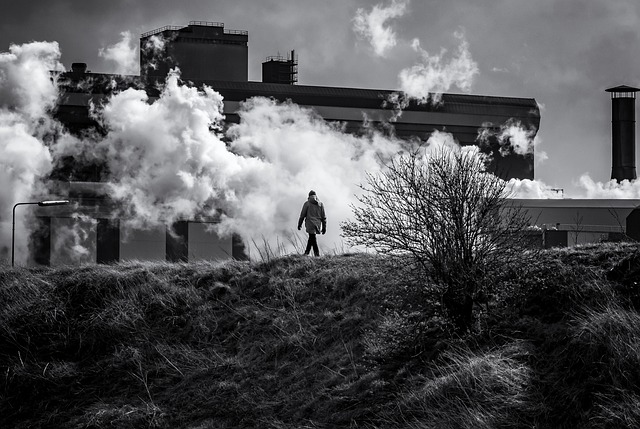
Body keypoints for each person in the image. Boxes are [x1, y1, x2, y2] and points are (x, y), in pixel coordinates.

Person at [297, 190, 326, 256]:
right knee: (312, 237)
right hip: (317, 224)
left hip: (310, 223)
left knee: (312, 238)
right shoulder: (320, 204)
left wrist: (299, 224)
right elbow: (323, 217)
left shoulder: (307, 203)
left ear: (309, 196)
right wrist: (324, 227)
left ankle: (317, 254)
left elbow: (302, 215)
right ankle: (306, 252)